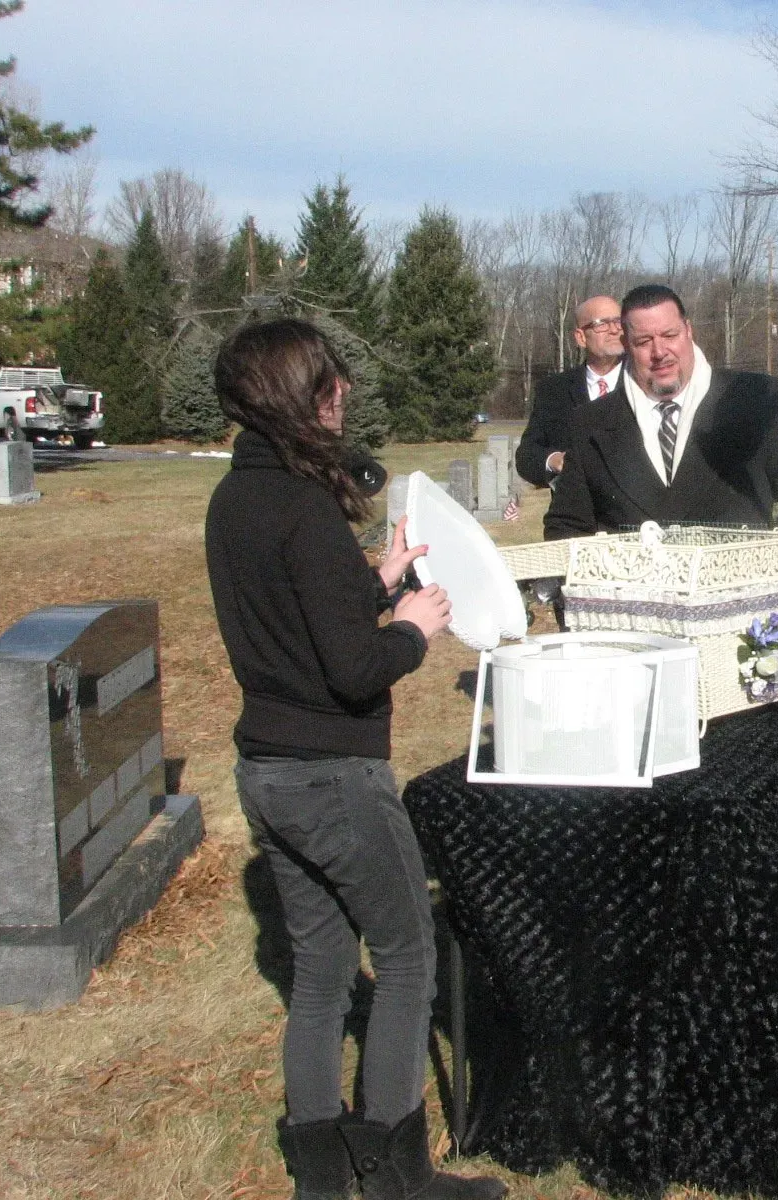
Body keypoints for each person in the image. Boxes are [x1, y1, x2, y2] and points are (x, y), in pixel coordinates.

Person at [205, 320, 504, 1200]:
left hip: (264, 768)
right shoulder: (303, 506)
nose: (345, 400)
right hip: (331, 775)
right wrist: (411, 631)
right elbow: (351, 668)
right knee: (408, 952)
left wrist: (374, 582)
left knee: (323, 969)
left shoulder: (239, 496)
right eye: (332, 387)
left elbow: (295, 618)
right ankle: (398, 1177)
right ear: (303, 396)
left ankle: (323, 1179)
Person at [544, 283, 778, 538]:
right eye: (644, 342)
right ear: (626, 346)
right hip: (635, 595)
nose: (660, 352)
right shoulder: (591, 422)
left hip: (737, 591)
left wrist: (776, 557)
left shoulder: (752, 399)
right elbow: (567, 524)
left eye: (670, 335)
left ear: (689, 330)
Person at [514, 294, 625, 488]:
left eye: (618, 321)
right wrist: (554, 460)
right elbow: (527, 455)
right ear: (581, 337)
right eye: (602, 324)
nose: (614, 330)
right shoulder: (554, 390)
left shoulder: (645, 383)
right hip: (575, 512)